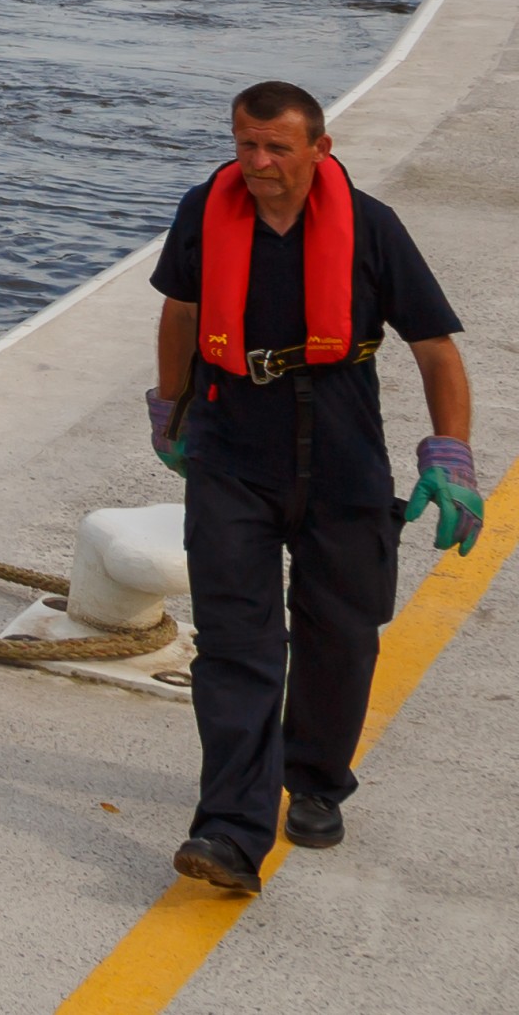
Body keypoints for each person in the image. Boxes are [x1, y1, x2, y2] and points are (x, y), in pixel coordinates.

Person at [147, 80, 479, 895]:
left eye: (275, 149)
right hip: (231, 451)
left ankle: (318, 780)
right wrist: (170, 410)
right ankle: (227, 830)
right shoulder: (204, 209)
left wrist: (451, 455)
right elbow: (181, 314)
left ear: (317, 150)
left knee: (342, 634)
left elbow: (435, 348)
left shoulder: (371, 226)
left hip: (342, 453)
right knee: (235, 646)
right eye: (244, 144)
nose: (256, 163)